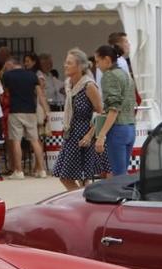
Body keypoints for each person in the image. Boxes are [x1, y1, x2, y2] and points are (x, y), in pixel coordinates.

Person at [51, 48, 107, 190]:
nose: (65, 65)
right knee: (67, 176)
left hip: (84, 135)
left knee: (75, 177)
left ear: (80, 66)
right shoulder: (68, 83)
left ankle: (81, 202)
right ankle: (83, 202)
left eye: (69, 63)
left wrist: (90, 135)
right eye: (65, 62)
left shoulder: (88, 85)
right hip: (71, 134)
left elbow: (101, 113)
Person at [84, 44, 138, 178]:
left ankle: (122, 198)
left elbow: (113, 109)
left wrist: (101, 135)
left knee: (119, 175)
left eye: (97, 61)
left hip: (117, 129)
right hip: (130, 127)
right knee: (123, 173)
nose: (96, 66)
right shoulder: (126, 75)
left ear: (107, 60)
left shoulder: (109, 76)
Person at [2, 50, 46, 178]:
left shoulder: (8, 76)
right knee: (34, 140)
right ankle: (41, 170)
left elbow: (6, 92)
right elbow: (39, 93)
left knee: (16, 141)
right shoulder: (32, 75)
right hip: (30, 111)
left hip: (15, 110)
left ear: (11, 64)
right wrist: (45, 110)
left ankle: (19, 171)